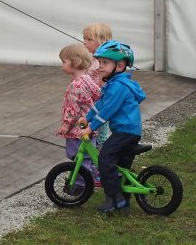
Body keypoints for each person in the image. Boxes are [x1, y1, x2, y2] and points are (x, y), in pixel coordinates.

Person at [78, 40, 145, 213]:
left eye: (105, 63)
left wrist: (91, 127)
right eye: (99, 62)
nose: (100, 66)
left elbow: (108, 110)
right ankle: (124, 201)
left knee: (105, 159)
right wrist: (87, 117)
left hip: (125, 131)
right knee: (121, 166)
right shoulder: (115, 84)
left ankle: (114, 198)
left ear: (120, 65)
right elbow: (101, 104)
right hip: (128, 131)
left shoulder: (119, 87)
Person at [57, 43, 101, 194]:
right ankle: (94, 176)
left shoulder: (75, 85)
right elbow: (98, 94)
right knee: (91, 155)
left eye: (64, 61)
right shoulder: (87, 79)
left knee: (78, 157)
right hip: (90, 126)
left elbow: (73, 110)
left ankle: (81, 186)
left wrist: (66, 126)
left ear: (75, 63)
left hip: (78, 130)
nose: (61, 65)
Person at [82, 22, 113, 185]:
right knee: (94, 136)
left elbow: (102, 86)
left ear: (100, 41)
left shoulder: (101, 63)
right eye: (84, 38)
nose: (84, 42)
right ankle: (96, 165)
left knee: (102, 137)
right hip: (93, 106)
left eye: (88, 39)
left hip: (100, 106)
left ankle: (103, 170)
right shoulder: (93, 60)